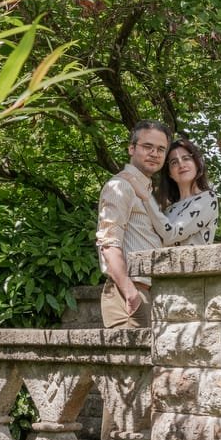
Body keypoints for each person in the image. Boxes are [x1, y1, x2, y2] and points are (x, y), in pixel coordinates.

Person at [95, 120, 171, 328]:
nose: (154, 153)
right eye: (147, 146)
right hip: (129, 294)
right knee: (135, 361)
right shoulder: (120, 186)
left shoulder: (144, 191)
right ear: (131, 148)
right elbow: (108, 244)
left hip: (146, 291)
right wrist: (131, 294)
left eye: (160, 149)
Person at [146, 138, 219, 246]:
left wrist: (146, 198)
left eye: (186, 158)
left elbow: (172, 234)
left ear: (197, 164)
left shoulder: (207, 198)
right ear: (169, 173)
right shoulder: (167, 210)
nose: (181, 165)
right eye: (174, 162)